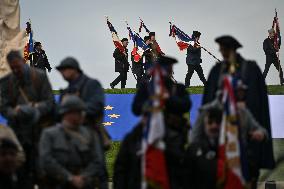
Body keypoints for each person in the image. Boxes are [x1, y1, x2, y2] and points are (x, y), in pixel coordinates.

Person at [202, 35, 275, 188]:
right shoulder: (217, 71)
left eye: (224, 50)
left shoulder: (251, 69)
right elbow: (208, 103)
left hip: (247, 137)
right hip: (221, 136)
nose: (222, 53)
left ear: (231, 50)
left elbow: (259, 105)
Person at [113, 56, 191, 189]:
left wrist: (167, 98)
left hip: (172, 130)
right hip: (148, 126)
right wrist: (151, 103)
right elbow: (136, 108)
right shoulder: (147, 88)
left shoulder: (177, 89)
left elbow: (185, 105)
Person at [0, 50, 55, 188]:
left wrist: (35, 108)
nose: (16, 70)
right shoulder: (6, 82)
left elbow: (49, 102)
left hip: (39, 131)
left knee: (42, 173)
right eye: (13, 68)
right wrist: (15, 112)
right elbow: (4, 107)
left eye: (18, 67)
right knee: (20, 174)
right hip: (18, 132)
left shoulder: (40, 77)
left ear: (23, 62)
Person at [186, 99, 268, 189]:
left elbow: (262, 132)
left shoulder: (242, 114)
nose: (214, 126)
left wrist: (261, 134)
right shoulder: (195, 150)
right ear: (204, 124)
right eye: (210, 122)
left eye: (217, 122)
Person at [56, 57, 109, 188]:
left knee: (99, 171)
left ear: (74, 69)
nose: (62, 73)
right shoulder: (66, 90)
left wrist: (76, 112)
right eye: (61, 70)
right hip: (69, 136)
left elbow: (97, 105)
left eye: (64, 70)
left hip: (91, 133)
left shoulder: (91, 84)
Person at [39, 95, 105, 189]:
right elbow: (46, 160)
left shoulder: (90, 134)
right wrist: (69, 178)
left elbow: (98, 160)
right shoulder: (49, 134)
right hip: (58, 184)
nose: (83, 115)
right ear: (68, 113)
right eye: (79, 112)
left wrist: (83, 177)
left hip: (84, 184)